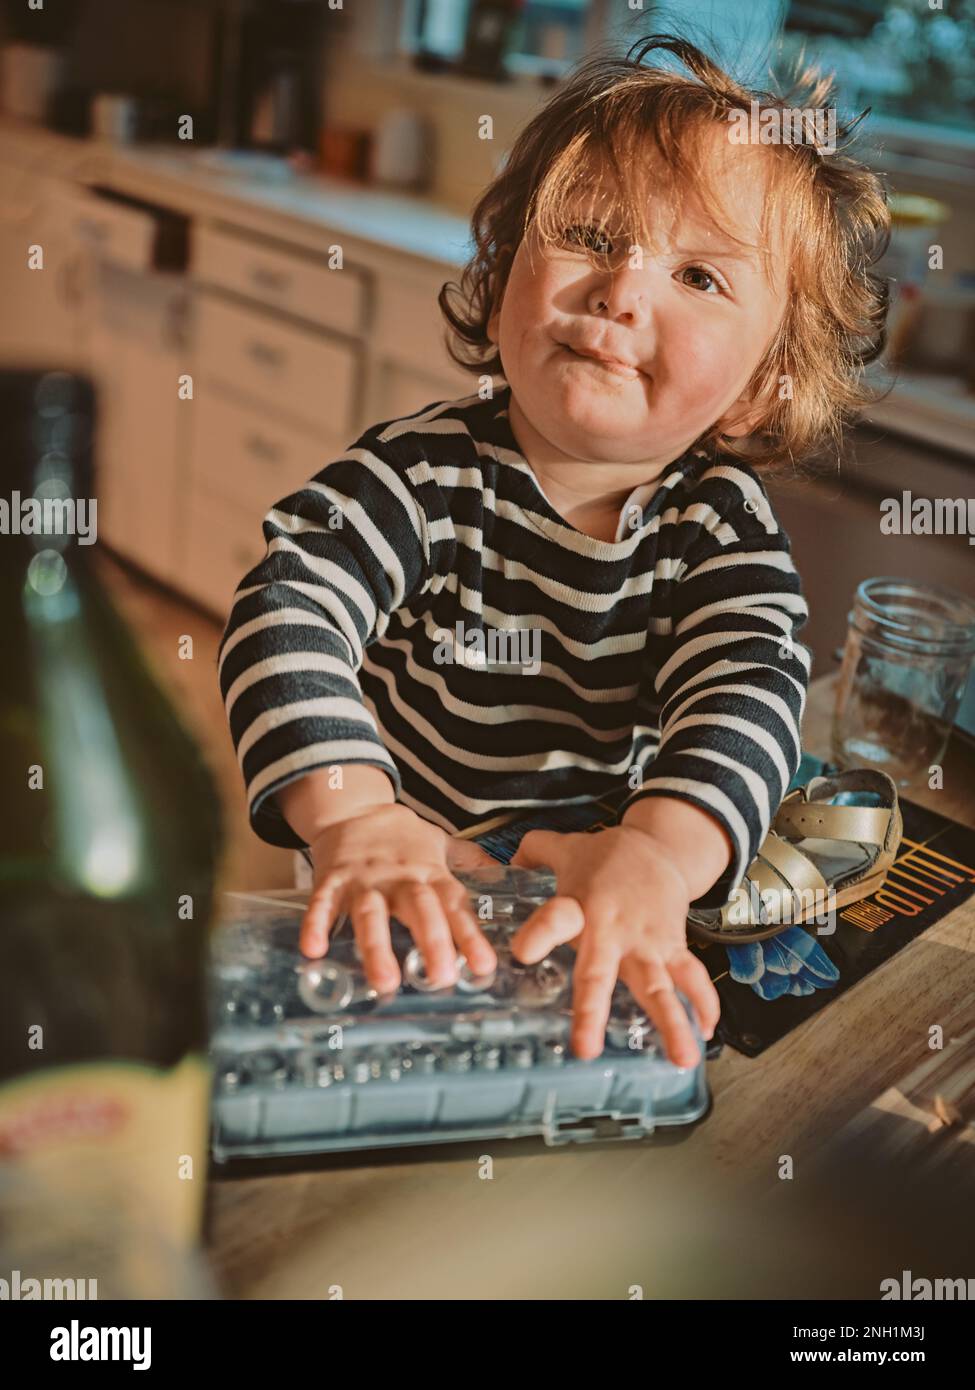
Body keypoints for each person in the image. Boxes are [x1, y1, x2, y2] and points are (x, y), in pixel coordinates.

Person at [216, 35, 889, 1068]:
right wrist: (353, 813)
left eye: (699, 275)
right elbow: (289, 603)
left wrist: (660, 857)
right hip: (401, 866)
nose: (623, 291)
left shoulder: (720, 531)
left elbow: (747, 690)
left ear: (765, 384)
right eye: (586, 234)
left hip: (598, 894)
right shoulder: (421, 472)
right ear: (501, 274)